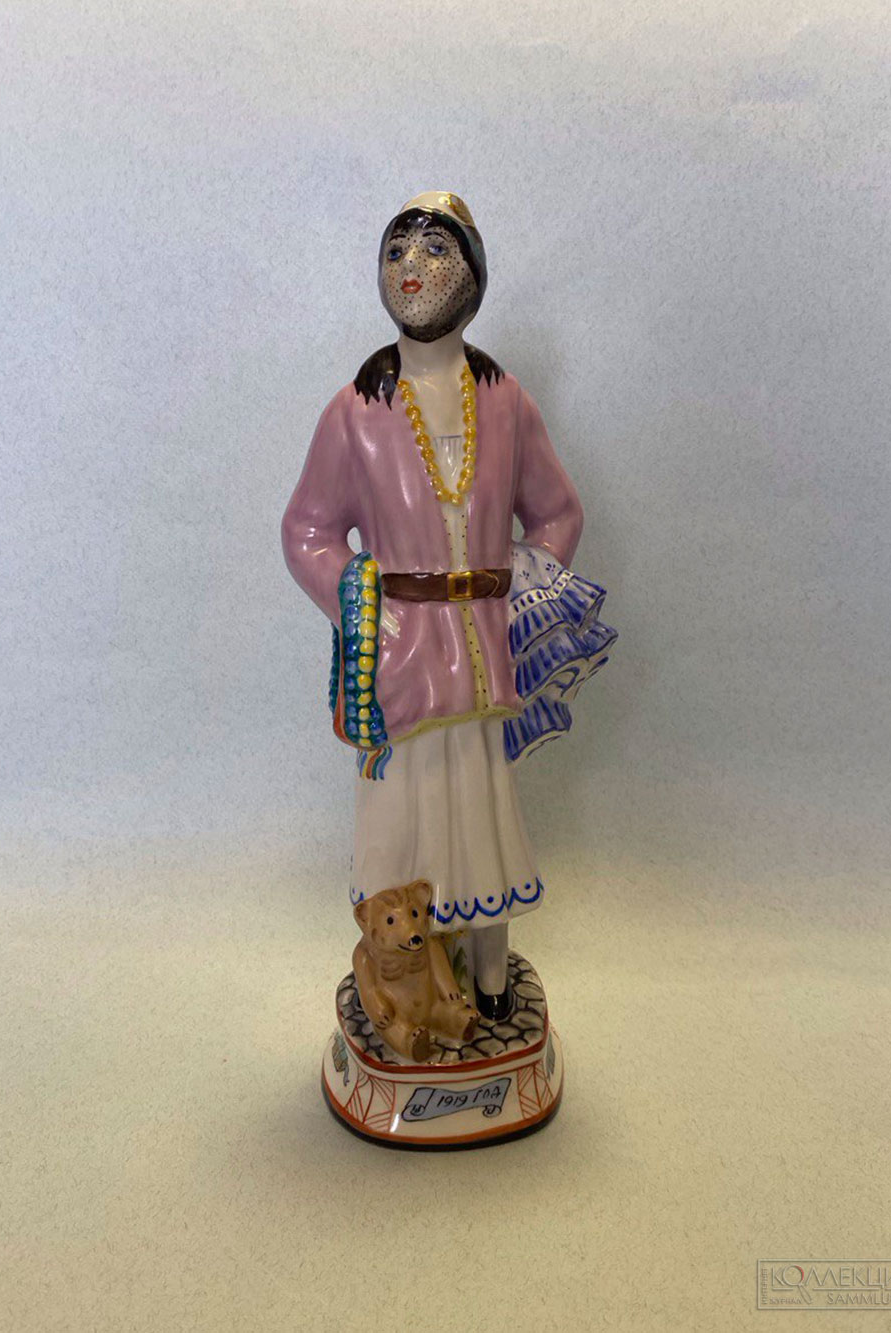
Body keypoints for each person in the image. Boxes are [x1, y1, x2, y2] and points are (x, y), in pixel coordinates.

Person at [282, 191, 614, 1021]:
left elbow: (558, 512)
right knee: (401, 823)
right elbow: (307, 530)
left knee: (482, 818)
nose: (412, 267)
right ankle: (405, 986)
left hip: (485, 662)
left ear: (473, 271)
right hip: (400, 665)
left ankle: (491, 982)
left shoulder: (505, 401)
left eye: (435, 249)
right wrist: (362, 604)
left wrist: (528, 595)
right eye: (396, 250)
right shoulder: (354, 411)